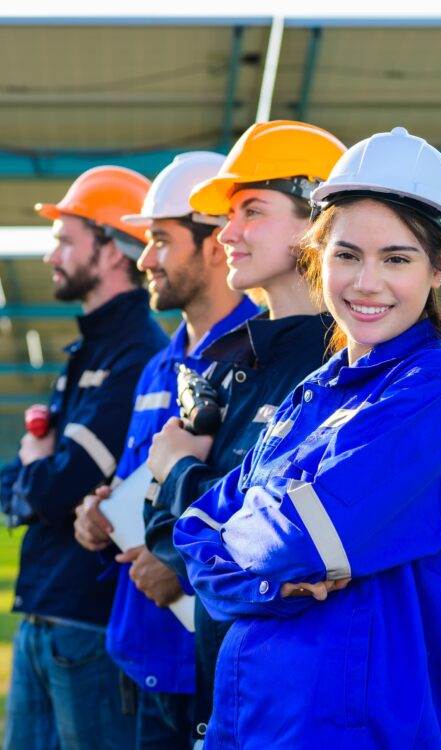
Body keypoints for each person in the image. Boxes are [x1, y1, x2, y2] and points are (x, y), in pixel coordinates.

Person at [174, 127, 441, 749]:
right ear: (319, 255)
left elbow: (307, 535)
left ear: (438, 268)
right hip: (254, 719)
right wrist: (262, 569)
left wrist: (248, 536)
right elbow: (194, 537)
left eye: (396, 259)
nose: (366, 282)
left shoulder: (433, 385)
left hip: (363, 729)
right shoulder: (312, 393)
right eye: (347, 255)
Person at [141, 121, 346, 747]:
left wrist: (180, 472)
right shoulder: (231, 364)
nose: (227, 234)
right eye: (228, 217)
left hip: (300, 707)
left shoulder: (344, 369)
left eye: (251, 212)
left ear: (317, 221)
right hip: (226, 695)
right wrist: (199, 502)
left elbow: (282, 548)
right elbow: (170, 541)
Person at [72, 151, 259, 749]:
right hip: (140, 645)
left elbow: (261, 507)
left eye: (159, 240)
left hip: (207, 657)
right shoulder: (158, 364)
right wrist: (105, 514)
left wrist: (177, 565)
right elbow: (145, 488)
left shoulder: (264, 356)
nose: (144, 258)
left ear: (214, 242)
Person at [0, 165, 167, 750]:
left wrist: (34, 473)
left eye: (65, 240)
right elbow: (29, 484)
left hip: (89, 619)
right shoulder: (87, 353)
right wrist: (35, 475)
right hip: (45, 610)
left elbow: (52, 488)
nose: (52, 256)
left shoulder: (139, 355)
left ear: (114, 250)